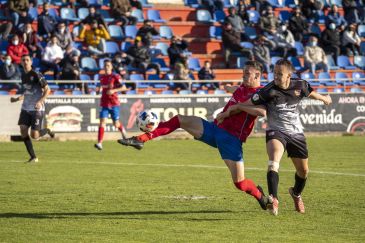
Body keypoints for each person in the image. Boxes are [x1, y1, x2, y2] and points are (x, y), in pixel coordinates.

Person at [118, 61, 273, 211]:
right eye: (243, 72)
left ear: (258, 75)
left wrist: (236, 108)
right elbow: (236, 90)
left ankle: (260, 196)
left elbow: (263, 111)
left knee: (240, 183)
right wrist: (228, 88)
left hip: (231, 140)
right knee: (180, 119)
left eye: (247, 73)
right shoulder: (242, 87)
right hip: (214, 130)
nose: (244, 76)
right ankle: (141, 139)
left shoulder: (259, 94)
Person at [217, 59, 332, 216]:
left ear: (288, 76)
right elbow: (249, 102)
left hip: (296, 133)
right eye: (274, 73)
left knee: (303, 171)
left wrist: (325, 99)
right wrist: (233, 108)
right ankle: (274, 199)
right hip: (275, 131)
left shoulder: (300, 85)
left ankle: (296, 193)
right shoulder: (268, 91)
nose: (276, 77)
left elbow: (310, 93)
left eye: (280, 74)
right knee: (273, 163)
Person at [9, 54, 55, 163]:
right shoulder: (23, 76)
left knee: (35, 136)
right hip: (25, 108)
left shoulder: (36, 74)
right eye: (23, 60)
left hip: (37, 109)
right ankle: (33, 157)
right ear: (21, 62)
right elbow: (28, 92)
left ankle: (47, 130)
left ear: (31, 62)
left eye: (27, 60)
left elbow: (48, 90)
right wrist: (17, 99)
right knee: (23, 130)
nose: (25, 62)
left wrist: (40, 101)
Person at [94, 59, 128, 150]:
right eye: (105, 65)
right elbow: (97, 88)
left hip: (114, 103)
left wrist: (113, 90)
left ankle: (122, 130)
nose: (106, 67)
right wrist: (97, 90)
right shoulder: (101, 77)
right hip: (104, 103)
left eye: (108, 65)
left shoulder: (115, 76)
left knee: (116, 124)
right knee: (102, 122)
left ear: (111, 67)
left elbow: (124, 87)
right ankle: (99, 143)